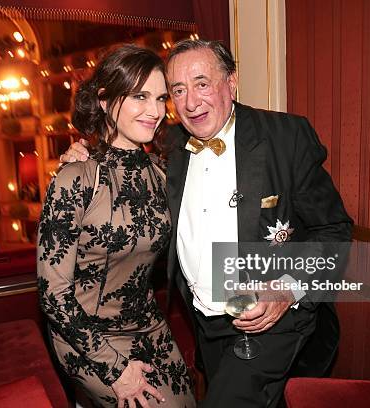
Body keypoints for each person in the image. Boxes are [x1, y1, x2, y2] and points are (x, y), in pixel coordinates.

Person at [62, 39, 353, 407]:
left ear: (231, 82)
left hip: (275, 321)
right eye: (178, 90)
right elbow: (120, 157)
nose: (190, 103)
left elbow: (335, 230)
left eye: (202, 84)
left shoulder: (284, 137)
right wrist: (85, 154)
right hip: (207, 326)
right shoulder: (166, 145)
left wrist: (287, 288)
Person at [37, 44, 195, 408]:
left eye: (160, 98)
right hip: (84, 335)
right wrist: (116, 369)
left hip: (148, 325)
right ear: (106, 101)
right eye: (140, 96)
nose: (156, 111)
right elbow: (53, 296)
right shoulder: (76, 178)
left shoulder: (160, 171)